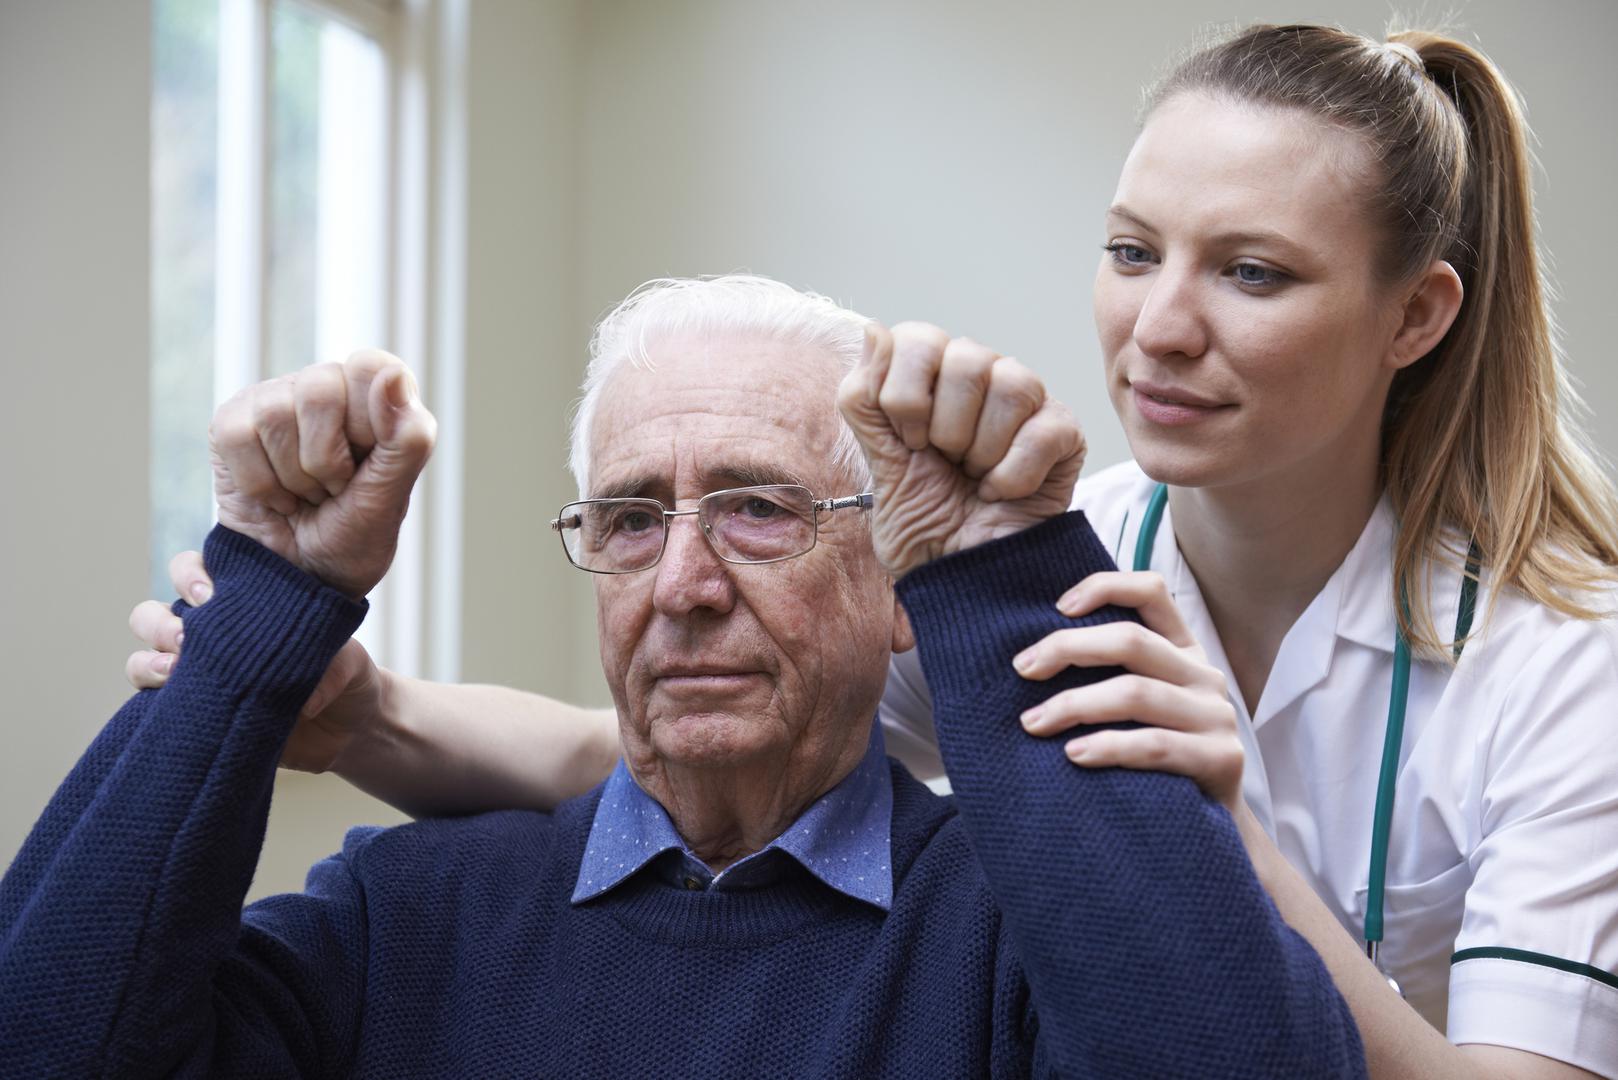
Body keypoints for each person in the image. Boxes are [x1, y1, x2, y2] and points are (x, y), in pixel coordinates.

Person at [125, 23, 1618, 1080]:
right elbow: (650, 743)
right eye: (1127, 249)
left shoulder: (1566, 662)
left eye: (1250, 272)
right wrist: (348, 712)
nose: (1159, 326)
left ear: (1415, 316)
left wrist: (1200, 825)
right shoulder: (1042, 559)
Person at [0, 278, 1364, 1077]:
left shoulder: (1022, 932)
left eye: (762, 508)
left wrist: (998, 579)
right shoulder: (404, 913)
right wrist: (269, 597)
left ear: (897, 585)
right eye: (632, 519)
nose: (685, 584)